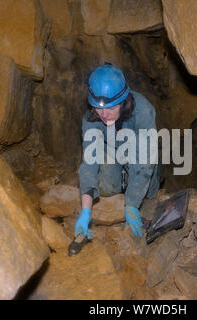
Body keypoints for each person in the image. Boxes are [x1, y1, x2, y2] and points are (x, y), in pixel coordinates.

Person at [69, 63, 161, 255]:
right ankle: (120, 181)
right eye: (98, 107)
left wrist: (132, 204)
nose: (104, 114)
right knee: (107, 188)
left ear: (123, 101)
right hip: (113, 152)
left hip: (141, 154)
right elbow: (90, 162)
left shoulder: (143, 112)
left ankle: (135, 195)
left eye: (110, 108)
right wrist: (86, 211)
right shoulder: (92, 118)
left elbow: (144, 160)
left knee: (149, 193)